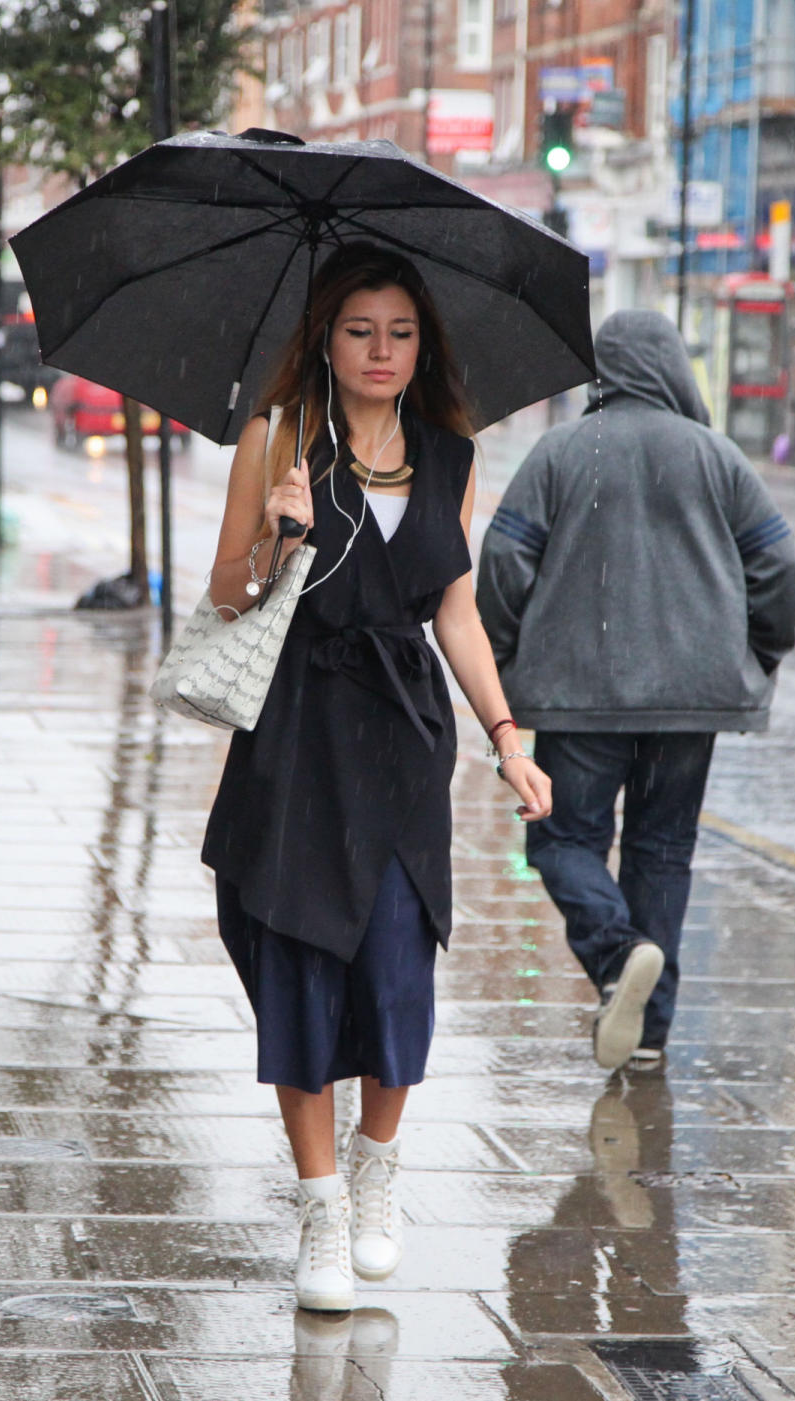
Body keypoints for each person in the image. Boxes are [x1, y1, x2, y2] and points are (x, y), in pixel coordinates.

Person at [202, 242, 553, 1312]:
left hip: (403, 736)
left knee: (400, 967)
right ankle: (319, 1204)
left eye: (401, 330)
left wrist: (507, 732)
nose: (382, 349)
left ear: (424, 342)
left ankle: (378, 1164)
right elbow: (227, 595)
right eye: (361, 329)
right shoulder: (278, 436)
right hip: (298, 733)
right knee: (300, 965)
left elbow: (455, 609)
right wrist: (278, 534)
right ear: (325, 335)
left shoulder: (448, 451)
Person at [476, 309, 795, 1073]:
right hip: (692, 701)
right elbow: (775, 569)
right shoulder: (717, 457)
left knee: (563, 840)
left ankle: (620, 954)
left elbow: (503, 565)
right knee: (662, 850)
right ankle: (650, 1032)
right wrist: (756, 654)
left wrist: (511, 658)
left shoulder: (560, 452)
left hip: (579, 696)